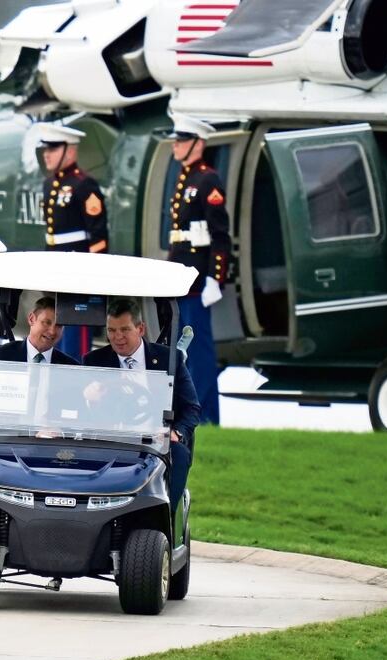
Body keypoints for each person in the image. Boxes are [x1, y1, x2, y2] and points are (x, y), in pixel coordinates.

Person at [83, 299, 200, 511]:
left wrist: (177, 433)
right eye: (112, 330)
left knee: (179, 454)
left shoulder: (167, 359)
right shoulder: (93, 361)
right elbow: (80, 410)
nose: (118, 337)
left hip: (155, 438)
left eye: (125, 329)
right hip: (110, 437)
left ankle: (168, 516)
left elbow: (191, 408)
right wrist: (89, 399)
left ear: (140, 328)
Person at [165, 114, 231, 426]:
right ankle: (190, 413)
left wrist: (215, 278)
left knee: (199, 352)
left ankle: (206, 415)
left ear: (198, 144)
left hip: (196, 279)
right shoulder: (186, 178)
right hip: (182, 277)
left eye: (182, 140)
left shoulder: (207, 180)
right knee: (182, 350)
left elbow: (220, 235)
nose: (176, 146)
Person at [37, 123, 108, 360]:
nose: (47, 153)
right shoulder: (49, 185)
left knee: (75, 342)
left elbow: (98, 237)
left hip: (78, 275)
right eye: (46, 148)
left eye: (54, 148)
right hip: (56, 272)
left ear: (70, 151)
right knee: (53, 334)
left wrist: (93, 277)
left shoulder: (84, 185)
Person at [0, 296, 78, 365]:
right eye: (47, 322)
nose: (52, 331)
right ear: (31, 319)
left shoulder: (71, 367)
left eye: (59, 325)